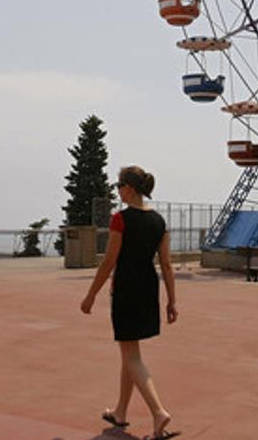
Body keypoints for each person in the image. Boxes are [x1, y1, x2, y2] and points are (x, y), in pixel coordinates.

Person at [81, 166, 179, 440]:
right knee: (129, 351)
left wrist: (90, 295)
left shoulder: (120, 219)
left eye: (119, 185)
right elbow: (167, 265)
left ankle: (159, 412)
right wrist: (172, 301)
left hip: (126, 288)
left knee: (131, 355)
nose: (117, 190)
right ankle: (120, 412)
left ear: (130, 189)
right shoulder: (159, 222)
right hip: (149, 288)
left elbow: (109, 261)